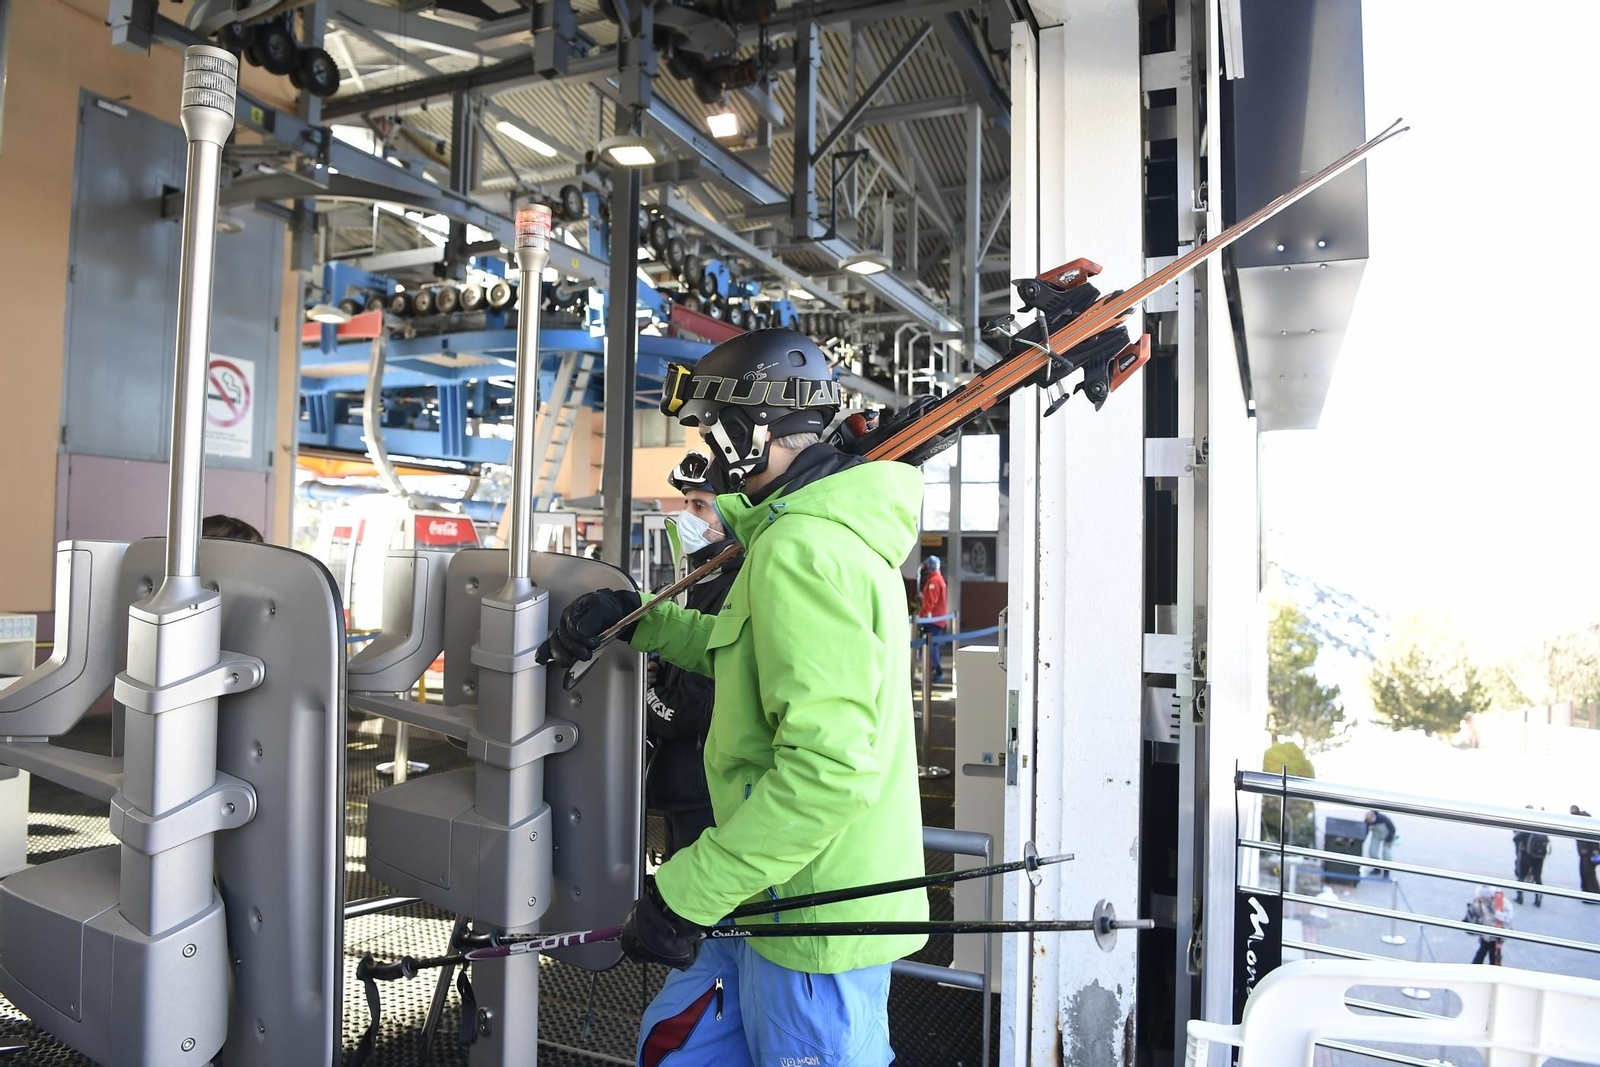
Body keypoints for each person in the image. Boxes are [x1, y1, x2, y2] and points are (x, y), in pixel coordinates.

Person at [539, 328, 927, 1067]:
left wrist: (687, 888)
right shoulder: (788, 536)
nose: (704, 452)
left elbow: (828, 772)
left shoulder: (803, 549)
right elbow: (737, 648)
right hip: (763, 887)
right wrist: (638, 621)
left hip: (809, 917)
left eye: (710, 428)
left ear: (755, 429)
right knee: (673, 1046)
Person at [644, 453, 741, 860]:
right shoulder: (702, 580)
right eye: (685, 504)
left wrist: (647, 696)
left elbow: (695, 705)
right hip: (685, 777)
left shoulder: (735, 587)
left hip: (707, 783)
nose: (686, 516)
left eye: (699, 506)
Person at [918, 555, 949, 683]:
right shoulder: (938, 579)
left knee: (932, 646)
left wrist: (921, 614)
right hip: (937, 619)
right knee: (933, 645)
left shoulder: (934, 581)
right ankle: (933, 670)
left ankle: (937, 671)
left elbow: (931, 602)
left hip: (934, 620)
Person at [1511, 807, 1549, 907]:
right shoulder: (1542, 827)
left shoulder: (1527, 826)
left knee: (1521, 876)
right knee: (1537, 878)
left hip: (1525, 856)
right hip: (1539, 857)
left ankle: (1520, 897)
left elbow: (1515, 839)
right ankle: (1538, 898)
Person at [1465, 885, 1511, 965]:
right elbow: (1477, 913)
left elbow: (1507, 917)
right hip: (1486, 935)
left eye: (1483, 898)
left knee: (1492, 956)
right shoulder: (1481, 902)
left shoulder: (1501, 903)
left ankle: (1491, 971)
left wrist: (1496, 914)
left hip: (1496, 936)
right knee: (1481, 953)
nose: (1481, 899)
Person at [1572, 805, 1600, 901]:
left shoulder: (1585, 819)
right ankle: (1586, 892)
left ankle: (1594, 894)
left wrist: (1595, 850)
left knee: (1589, 872)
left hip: (1589, 852)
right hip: (1583, 852)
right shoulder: (1578, 820)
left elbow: (1593, 835)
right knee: (1583, 871)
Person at [1364, 809, 1397, 878]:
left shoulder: (1384, 819)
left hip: (1387, 835)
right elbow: (1365, 830)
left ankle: (1386, 871)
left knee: (1387, 854)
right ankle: (1377, 868)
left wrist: (1389, 840)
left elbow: (1393, 829)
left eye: (1370, 820)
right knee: (1372, 852)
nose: (1369, 822)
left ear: (1373, 816)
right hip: (1376, 835)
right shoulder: (1367, 821)